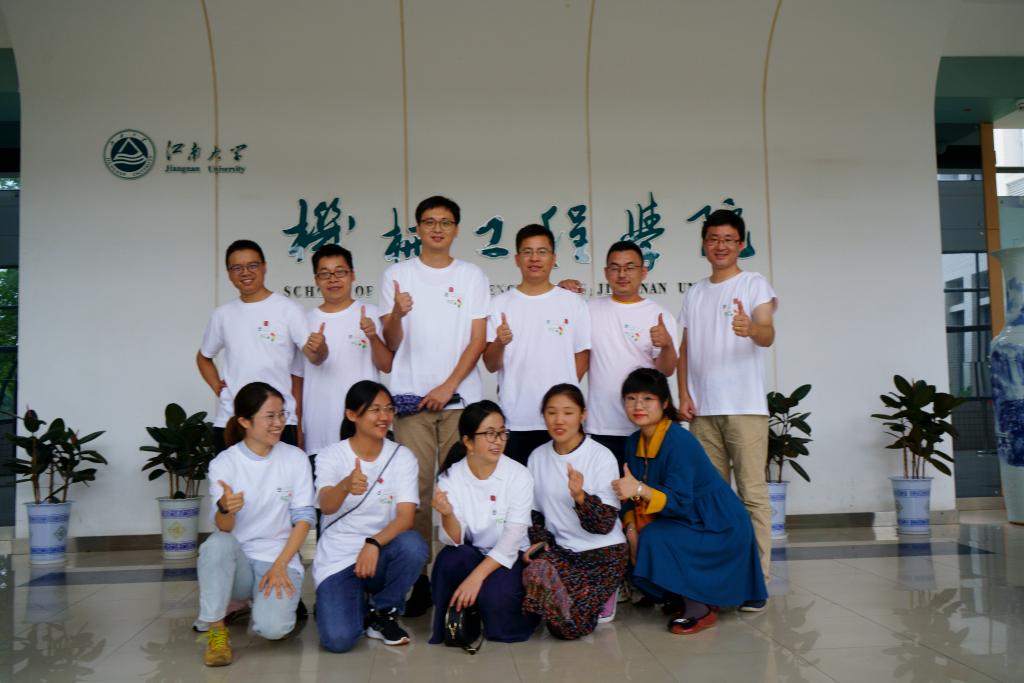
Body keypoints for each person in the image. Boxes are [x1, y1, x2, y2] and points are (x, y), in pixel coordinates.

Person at [378, 196, 491, 615]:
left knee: (464, 487)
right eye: (429, 222)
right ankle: (420, 579)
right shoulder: (396, 275)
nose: (437, 229)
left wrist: (448, 385)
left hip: (460, 401)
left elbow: (478, 341)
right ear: (417, 229)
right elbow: (390, 343)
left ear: (456, 229)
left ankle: (465, 573)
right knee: (419, 491)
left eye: (445, 222)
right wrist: (396, 314)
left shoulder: (472, 275)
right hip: (411, 404)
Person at [614, 368, 767, 635]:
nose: (638, 406)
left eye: (648, 399)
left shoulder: (679, 441)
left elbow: (679, 501)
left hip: (716, 523)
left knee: (655, 537)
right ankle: (680, 593)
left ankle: (699, 607)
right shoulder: (633, 442)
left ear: (664, 403)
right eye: (631, 398)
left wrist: (639, 489)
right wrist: (630, 530)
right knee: (629, 535)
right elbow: (630, 498)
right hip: (684, 518)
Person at [676, 209, 778, 600]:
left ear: (741, 244)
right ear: (704, 243)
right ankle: (721, 580)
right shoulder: (695, 292)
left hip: (745, 407)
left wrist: (750, 328)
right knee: (710, 498)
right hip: (703, 411)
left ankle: (758, 581)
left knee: (752, 495)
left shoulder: (754, 284)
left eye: (728, 239)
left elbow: (767, 333)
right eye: (713, 239)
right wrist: (683, 393)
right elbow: (684, 349)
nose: (720, 246)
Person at [194, 382, 316, 667]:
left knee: (274, 629)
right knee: (216, 544)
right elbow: (224, 527)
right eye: (270, 416)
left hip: (278, 557)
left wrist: (280, 565)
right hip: (239, 561)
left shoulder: (295, 458)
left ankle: (251, 603)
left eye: (282, 414)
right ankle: (216, 630)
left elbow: (304, 519)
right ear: (245, 421)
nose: (279, 423)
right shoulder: (225, 463)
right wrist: (225, 508)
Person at [312, 381, 428, 652]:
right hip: (339, 557)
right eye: (375, 410)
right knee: (338, 640)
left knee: (413, 546)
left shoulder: (402, 457)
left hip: (381, 553)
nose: (384, 416)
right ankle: (350, 602)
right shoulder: (330, 456)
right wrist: (345, 485)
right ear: (352, 415)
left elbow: (405, 518)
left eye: (389, 409)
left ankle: (383, 611)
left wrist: (374, 543)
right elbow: (326, 506)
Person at [428, 401, 540, 644]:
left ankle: (517, 611)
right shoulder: (450, 477)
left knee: (498, 617)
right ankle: (452, 622)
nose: (498, 441)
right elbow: (455, 540)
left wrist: (475, 578)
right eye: (489, 434)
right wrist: (447, 514)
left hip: (508, 557)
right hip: (471, 552)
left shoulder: (518, 475)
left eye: (501, 433)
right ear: (468, 442)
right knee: (449, 560)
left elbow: (512, 538)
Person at [522, 384, 627, 639]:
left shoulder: (601, 456)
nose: (559, 420)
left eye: (568, 412)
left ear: (583, 415)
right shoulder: (537, 457)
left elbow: (604, 525)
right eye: (551, 412)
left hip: (603, 554)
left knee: (567, 629)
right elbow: (534, 513)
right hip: (563, 553)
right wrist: (540, 541)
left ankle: (602, 593)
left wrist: (580, 497)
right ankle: (579, 601)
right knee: (536, 570)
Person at [483, 225, 591, 465]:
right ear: (517, 258)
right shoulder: (499, 304)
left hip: (562, 421)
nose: (534, 258)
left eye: (542, 252)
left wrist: (563, 401)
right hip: (516, 419)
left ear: (553, 258)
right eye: (527, 252)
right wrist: (500, 342)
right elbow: (490, 364)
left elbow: (582, 356)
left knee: (565, 484)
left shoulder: (573, 303)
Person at [197, 240, 315, 452]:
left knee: (280, 475)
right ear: (229, 273)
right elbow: (203, 357)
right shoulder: (222, 315)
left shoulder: (288, 310)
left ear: (264, 267)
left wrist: (319, 349)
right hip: (233, 419)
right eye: (237, 268)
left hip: (279, 420)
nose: (245, 272)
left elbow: (304, 367)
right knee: (231, 474)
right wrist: (219, 389)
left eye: (252, 265)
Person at [586, 241, 678, 468]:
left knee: (643, 489)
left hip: (643, 426)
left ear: (643, 271)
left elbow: (667, 370)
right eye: (615, 268)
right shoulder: (588, 310)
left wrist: (667, 345)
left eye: (629, 267)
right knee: (604, 489)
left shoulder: (658, 315)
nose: (622, 274)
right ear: (606, 272)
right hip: (601, 425)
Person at [300, 244, 393, 456]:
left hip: (364, 427)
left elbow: (386, 365)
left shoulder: (372, 314)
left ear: (353, 275)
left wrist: (373, 336)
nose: (333, 279)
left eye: (340, 272)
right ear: (316, 280)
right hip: (319, 428)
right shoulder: (304, 322)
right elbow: (297, 378)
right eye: (325, 274)